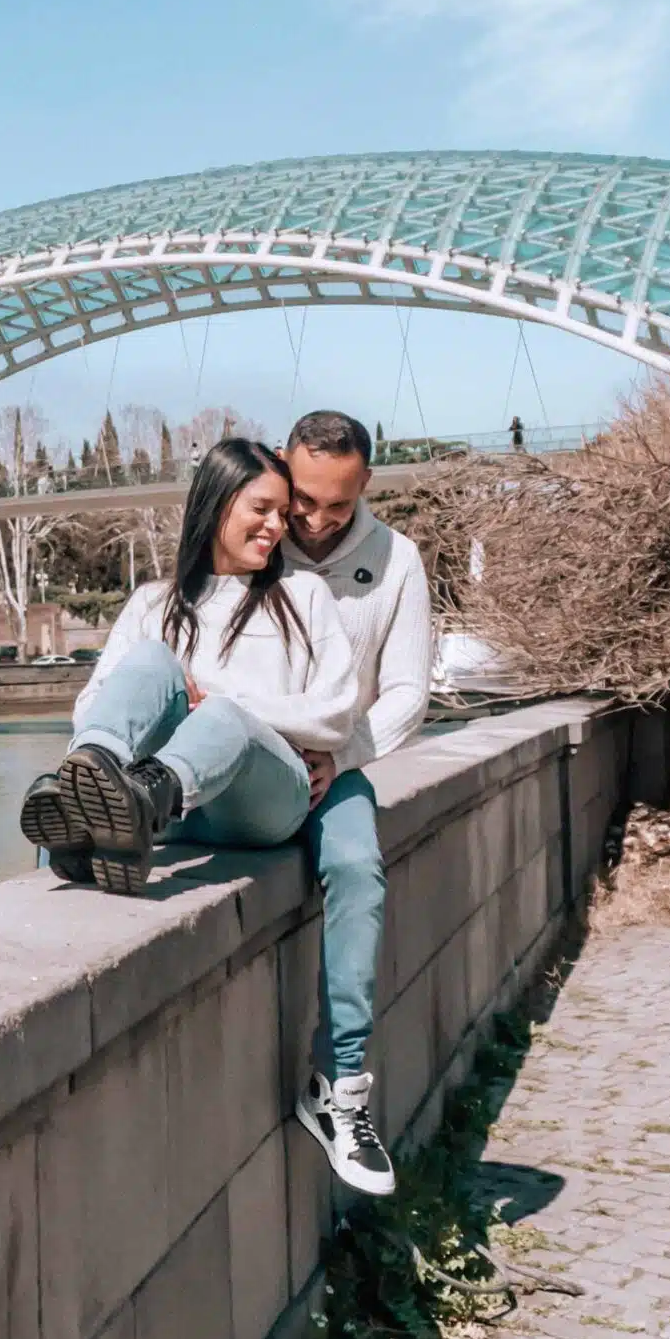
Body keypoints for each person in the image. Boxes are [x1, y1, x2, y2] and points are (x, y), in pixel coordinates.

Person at [19, 436, 356, 908]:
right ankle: (96, 789)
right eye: (261, 508)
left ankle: (139, 802)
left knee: (224, 717)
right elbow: (90, 706)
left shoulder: (305, 595)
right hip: (176, 816)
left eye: (282, 514)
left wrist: (223, 702)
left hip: (262, 803)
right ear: (216, 503)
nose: (276, 526)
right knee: (154, 658)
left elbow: (337, 713)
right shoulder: (152, 602)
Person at [280, 410, 434, 1199]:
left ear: (366, 484)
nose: (312, 520)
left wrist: (338, 757)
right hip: (251, 755)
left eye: (335, 506)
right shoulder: (255, 533)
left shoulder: (397, 560)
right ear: (282, 467)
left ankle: (342, 1089)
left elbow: (409, 689)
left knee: (358, 873)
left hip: (338, 767)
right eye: (302, 499)